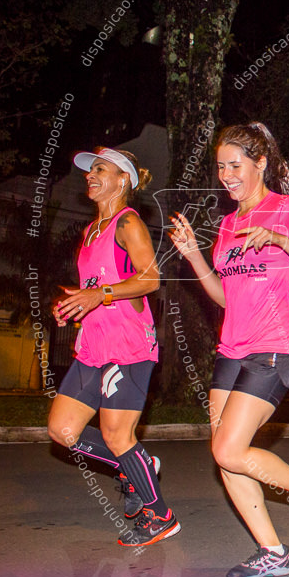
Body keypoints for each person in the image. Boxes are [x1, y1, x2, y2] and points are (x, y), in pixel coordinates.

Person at [169, 122, 289, 577]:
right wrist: (193, 256)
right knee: (224, 452)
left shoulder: (287, 209)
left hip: (276, 345)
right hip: (232, 347)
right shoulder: (227, 224)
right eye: (221, 167)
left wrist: (282, 239)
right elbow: (225, 297)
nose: (226, 175)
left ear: (260, 163)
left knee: (228, 448)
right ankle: (272, 551)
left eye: (235, 165)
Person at [47, 147, 178, 546]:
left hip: (128, 346)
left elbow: (150, 279)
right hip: (93, 344)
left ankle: (160, 517)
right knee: (62, 429)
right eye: (89, 170)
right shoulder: (90, 232)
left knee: (118, 436)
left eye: (100, 169)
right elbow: (99, 287)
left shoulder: (128, 224)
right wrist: (76, 302)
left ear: (123, 180)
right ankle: (138, 466)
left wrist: (97, 295)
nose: (90, 175)